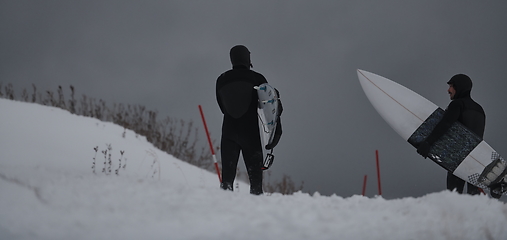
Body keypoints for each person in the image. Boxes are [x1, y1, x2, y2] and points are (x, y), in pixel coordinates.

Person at [416, 74, 485, 195]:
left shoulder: (458, 104)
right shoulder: (480, 110)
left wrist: (428, 143)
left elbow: (445, 124)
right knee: (474, 197)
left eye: (452, 86)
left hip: (458, 159)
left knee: (454, 195)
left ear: (459, 87)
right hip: (475, 160)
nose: (448, 90)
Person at [216, 45, 267, 195]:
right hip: (250, 132)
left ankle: (221, 212)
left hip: (229, 131)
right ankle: (257, 213)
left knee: (226, 182)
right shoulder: (258, 78)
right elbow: (268, 104)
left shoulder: (222, 79)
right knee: (256, 184)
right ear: (248, 58)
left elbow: (222, 106)